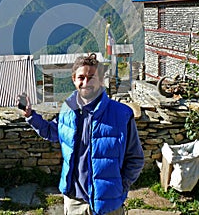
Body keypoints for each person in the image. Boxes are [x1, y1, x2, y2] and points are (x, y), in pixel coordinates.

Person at [21, 53, 144, 215]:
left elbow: (135, 158)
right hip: (74, 200)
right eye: (81, 77)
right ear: (74, 79)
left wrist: (121, 186)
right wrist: (30, 115)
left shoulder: (121, 115)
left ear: (101, 80)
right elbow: (52, 132)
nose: (86, 82)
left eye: (91, 77)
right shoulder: (67, 110)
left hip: (108, 202)